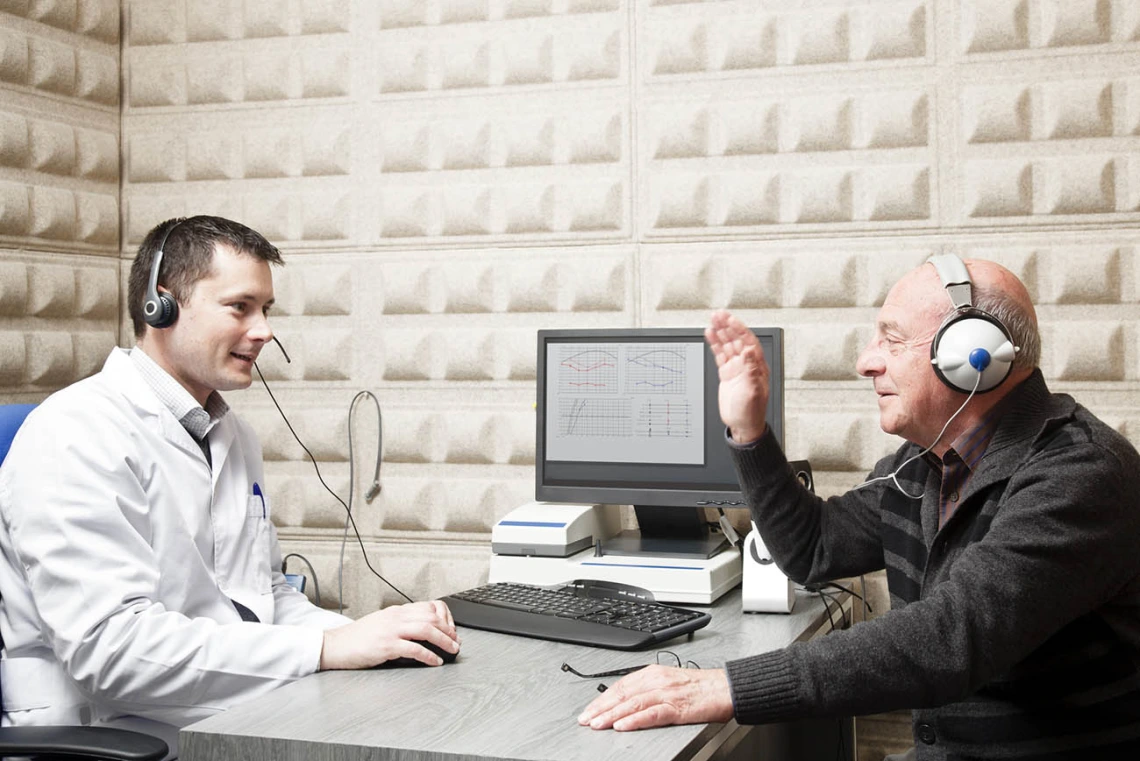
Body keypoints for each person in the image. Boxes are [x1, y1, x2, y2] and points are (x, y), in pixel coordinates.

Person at [578, 255, 1140, 758]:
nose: (865, 362)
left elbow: (952, 640)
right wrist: (749, 432)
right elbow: (814, 549)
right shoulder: (925, 464)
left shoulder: (1081, 476)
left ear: (975, 356)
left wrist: (728, 686)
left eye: (891, 341)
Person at [0, 216, 458, 754]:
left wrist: (374, 636)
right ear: (161, 305)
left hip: (229, 708)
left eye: (266, 310)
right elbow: (113, 653)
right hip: (107, 730)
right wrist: (327, 648)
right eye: (240, 307)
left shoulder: (232, 435)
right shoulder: (73, 434)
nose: (264, 330)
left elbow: (264, 597)